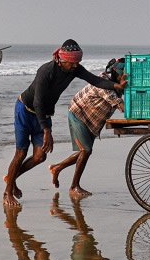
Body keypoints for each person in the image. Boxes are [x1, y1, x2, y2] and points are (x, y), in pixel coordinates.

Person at [3, 40, 124, 206]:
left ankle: (11, 179)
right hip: (25, 110)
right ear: (62, 60)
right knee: (21, 153)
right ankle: (7, 193)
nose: (75, 66)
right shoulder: (46, 71)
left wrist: (117, 84)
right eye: (72, 63)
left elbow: (96, 80)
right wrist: (47, 131)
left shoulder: (74, 69)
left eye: (77, 63)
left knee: (40, 156)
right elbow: (38, 102)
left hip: (43, 114)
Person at [48, 57, 125, 198]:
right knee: (86, 150)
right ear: (115, 71)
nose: (124, 78)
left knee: (82, 152)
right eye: (123, 75)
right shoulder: (103, 82)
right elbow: (119, 104)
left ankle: (56, 168)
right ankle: (74, 187)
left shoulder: (117, 84)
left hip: (92, 120)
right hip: (78, 113)